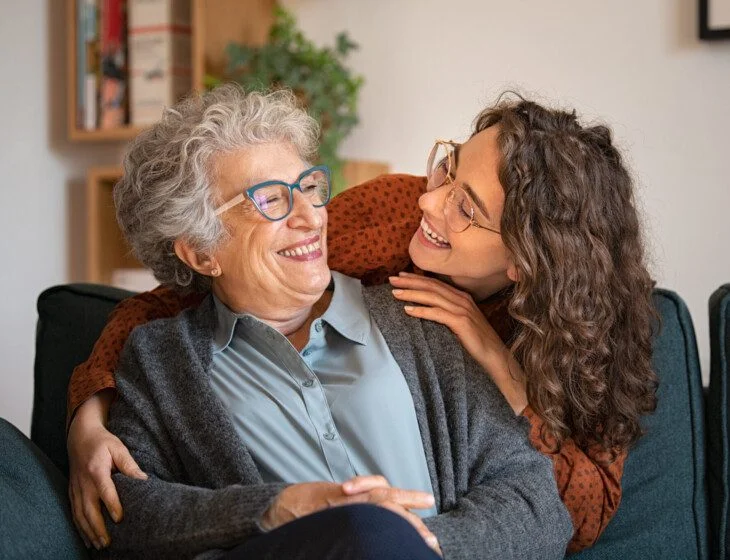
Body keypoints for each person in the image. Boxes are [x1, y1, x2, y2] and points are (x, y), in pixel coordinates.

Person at [66, 91, 657, 554]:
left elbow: (556, 509)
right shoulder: (390, 222)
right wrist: (87, 420)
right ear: (201, 248)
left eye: (466, 207)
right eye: (271, 199)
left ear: (527, 260)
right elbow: (161, 306)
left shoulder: (440, 330)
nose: (431, 202)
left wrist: (413, 545)